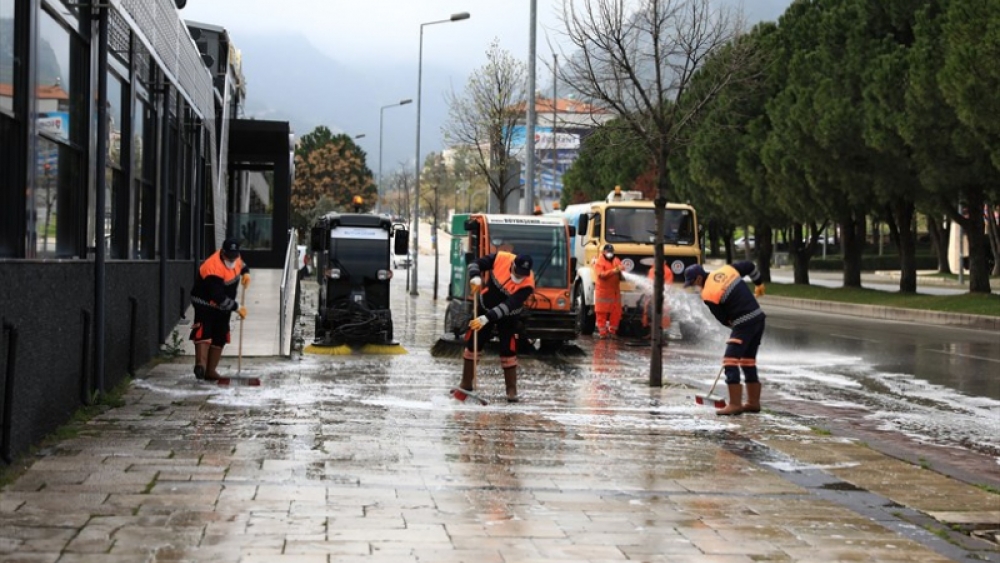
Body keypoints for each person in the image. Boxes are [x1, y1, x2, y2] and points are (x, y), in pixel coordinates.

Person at [683, 261, 766, 416]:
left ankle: (735, 404)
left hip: (743, 322)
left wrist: (736, 329)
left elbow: (723, 319)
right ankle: (753, 403)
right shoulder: (727, 270)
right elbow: (749, 266)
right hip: (758, 319)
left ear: (699, 279)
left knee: (730, 361)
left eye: (693, 283)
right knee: (748, 361)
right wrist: (759, 283)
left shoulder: (708, 294)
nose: (695, 287)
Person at [459, 251, 535, 402]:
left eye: (522, 275)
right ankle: (466, 384)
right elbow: (474, 263)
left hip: (508, 316)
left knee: (508, 349)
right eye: (517, 273)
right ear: (512, 264)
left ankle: (511, 390)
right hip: (484, 307)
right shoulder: (500, 258)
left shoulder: (528, 285)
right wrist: (475, 276)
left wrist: (486, 319)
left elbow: (508, 305)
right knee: (474, 342)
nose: (518, 278)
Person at [190, 237, 250, 381]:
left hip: (223, 307)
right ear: (223, 253)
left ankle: (211, 371)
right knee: (204, 332)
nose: (232, 259)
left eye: (234, 256)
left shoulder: (235, 256)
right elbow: (218, 297)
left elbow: (241, 264)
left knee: (220, 334)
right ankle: (201, 366)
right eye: (229, 257)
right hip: (205, 302)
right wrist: (237, 307)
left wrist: (246, 273)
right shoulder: (212, 268)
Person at [593, 243, 623, 339]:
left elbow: (621, 271)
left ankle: (612, 332)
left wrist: (621, 272)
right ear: (604, 252)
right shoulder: (599, 262)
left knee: (616, 312)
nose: (609, 253)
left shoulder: (616, 260)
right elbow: (601, 275)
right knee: (601, 312)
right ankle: (603, 333)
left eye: (611, 251)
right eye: (608, 251)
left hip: (614, 292)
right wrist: (614, 271)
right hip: (603, 292)